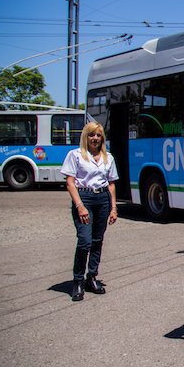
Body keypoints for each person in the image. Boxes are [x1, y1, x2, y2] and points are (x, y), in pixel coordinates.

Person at [61, 122, 119, 302]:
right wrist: (79, 205)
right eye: (91, 135)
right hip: (84, 198)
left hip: (102, 200)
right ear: (85, 137)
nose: (95, 139)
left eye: (98, 135)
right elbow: (70, 183)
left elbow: (111, 183)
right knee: (85, 241)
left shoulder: (108, 157)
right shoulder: (75, 155)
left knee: (97, 240)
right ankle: (77, 281)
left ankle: (91, 277)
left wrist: (113, 207)